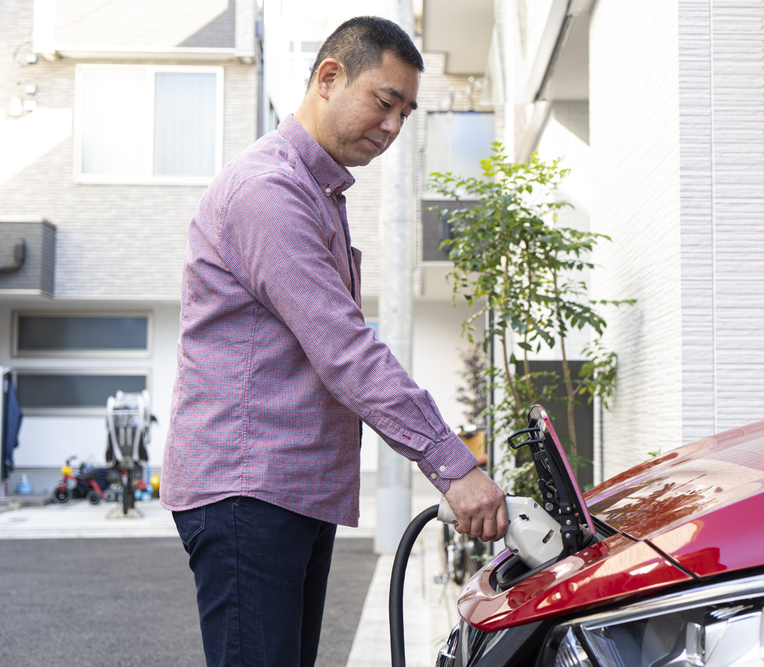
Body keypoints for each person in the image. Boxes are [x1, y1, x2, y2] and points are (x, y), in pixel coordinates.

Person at [160, 15, 508, 667]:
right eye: (384, 102)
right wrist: (453, 466)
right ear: (329, 77)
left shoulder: (319, 193)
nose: (393, 127)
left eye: (406, 113)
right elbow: (345, 349)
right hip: (248, 489)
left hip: (287, 490)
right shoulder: (270, 190)